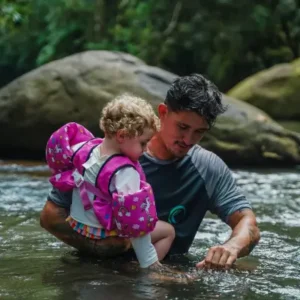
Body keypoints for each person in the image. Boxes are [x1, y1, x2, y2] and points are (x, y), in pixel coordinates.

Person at [40, 73, 260, 270]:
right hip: (96, 273)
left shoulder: (208, 168)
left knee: (247, 271)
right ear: (163, 113)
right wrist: (102, 247)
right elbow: (50, 216)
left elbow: (247, 221)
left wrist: (232, 247)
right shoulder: (115, 153)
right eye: (182, 127)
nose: (188, 140)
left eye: (199, 132)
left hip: (165, 274)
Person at [44, 95, 176, 270]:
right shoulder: (125, 172)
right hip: (105, 234)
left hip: (80, 227)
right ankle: (147, 270)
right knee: (168, 231)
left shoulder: (83, 149)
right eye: (143, 143)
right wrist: (149, 262)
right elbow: (135, 224)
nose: (145, 150)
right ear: (122, 136)